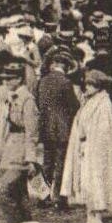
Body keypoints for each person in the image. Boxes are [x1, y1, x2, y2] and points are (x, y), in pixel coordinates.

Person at [62, 65, 112, 223]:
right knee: (86, 184)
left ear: (99, 87)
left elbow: (104, 131)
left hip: (96, 150)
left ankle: (97, 221)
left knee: (95, 184)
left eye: (91, 85)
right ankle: (90, 219)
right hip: (85, 148)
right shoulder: (88, 101)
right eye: (87, 84)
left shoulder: (104, 104)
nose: (87, 88)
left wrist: (90, 142)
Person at [0, 57, 44, 223]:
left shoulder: (27, 100)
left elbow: (32, 133)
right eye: (4, 78)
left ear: (19, 79)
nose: (5, 81)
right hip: (9, 150)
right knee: (20, 196)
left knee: (6, 195)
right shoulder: (11, 97)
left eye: (9, 78)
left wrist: (31, 159)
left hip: (20, 154)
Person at [36, 49, 79, 205]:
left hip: (46, 126)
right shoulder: (66, 83)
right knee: (61, 162)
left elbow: (37, 102)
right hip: (62, 128)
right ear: (66, 66)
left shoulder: (43, 80)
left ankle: (43, 195)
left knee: (47, 161)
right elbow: (74, 105)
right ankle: (60, 197)